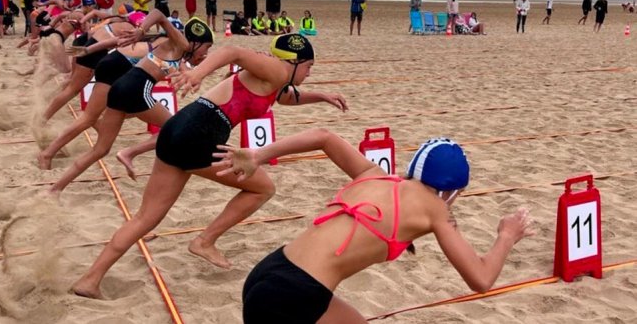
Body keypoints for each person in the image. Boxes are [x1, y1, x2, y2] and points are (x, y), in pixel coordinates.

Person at [70, 34, 349, 298]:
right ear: (294, 61)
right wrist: (197, 73)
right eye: (309, 66)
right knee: (263, 188)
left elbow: (288, 97)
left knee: (145, 218)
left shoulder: (273, 79)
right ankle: (205, 241)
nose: (309, 73)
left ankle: (90, 279)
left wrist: (322, 96)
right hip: (199, 134)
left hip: (178, 129)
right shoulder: (276, 70)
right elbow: (233, 51)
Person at [212, 130, 534, 323]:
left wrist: (259, 155)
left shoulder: (375, 175)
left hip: (271, 269)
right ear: (451, 192)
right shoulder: (437, 210)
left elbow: (324, 136)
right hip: (293, 295)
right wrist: (507, 235)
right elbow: (480, 279)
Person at [48, 11, 214, 192]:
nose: (207, 52)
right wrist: (141, 30)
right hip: (134, 88)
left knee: (100, 149)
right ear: (196, 42)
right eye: (207, 47)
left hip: (120, 87)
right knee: (173, 126)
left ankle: (55, 188)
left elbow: (186, 66)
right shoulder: (180, 43)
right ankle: (129, 153)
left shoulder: (172, 48)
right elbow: (159, 14)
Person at [38, 13, 169, 170]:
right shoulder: (155, 39)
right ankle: (47, 152)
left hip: (108, 63)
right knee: (85, 113)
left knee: (98, 109)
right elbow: (115, 40)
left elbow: (110, 39)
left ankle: (97, 125)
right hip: (111, 67)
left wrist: (87, 49)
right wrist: (87, 50)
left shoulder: (143, 34)